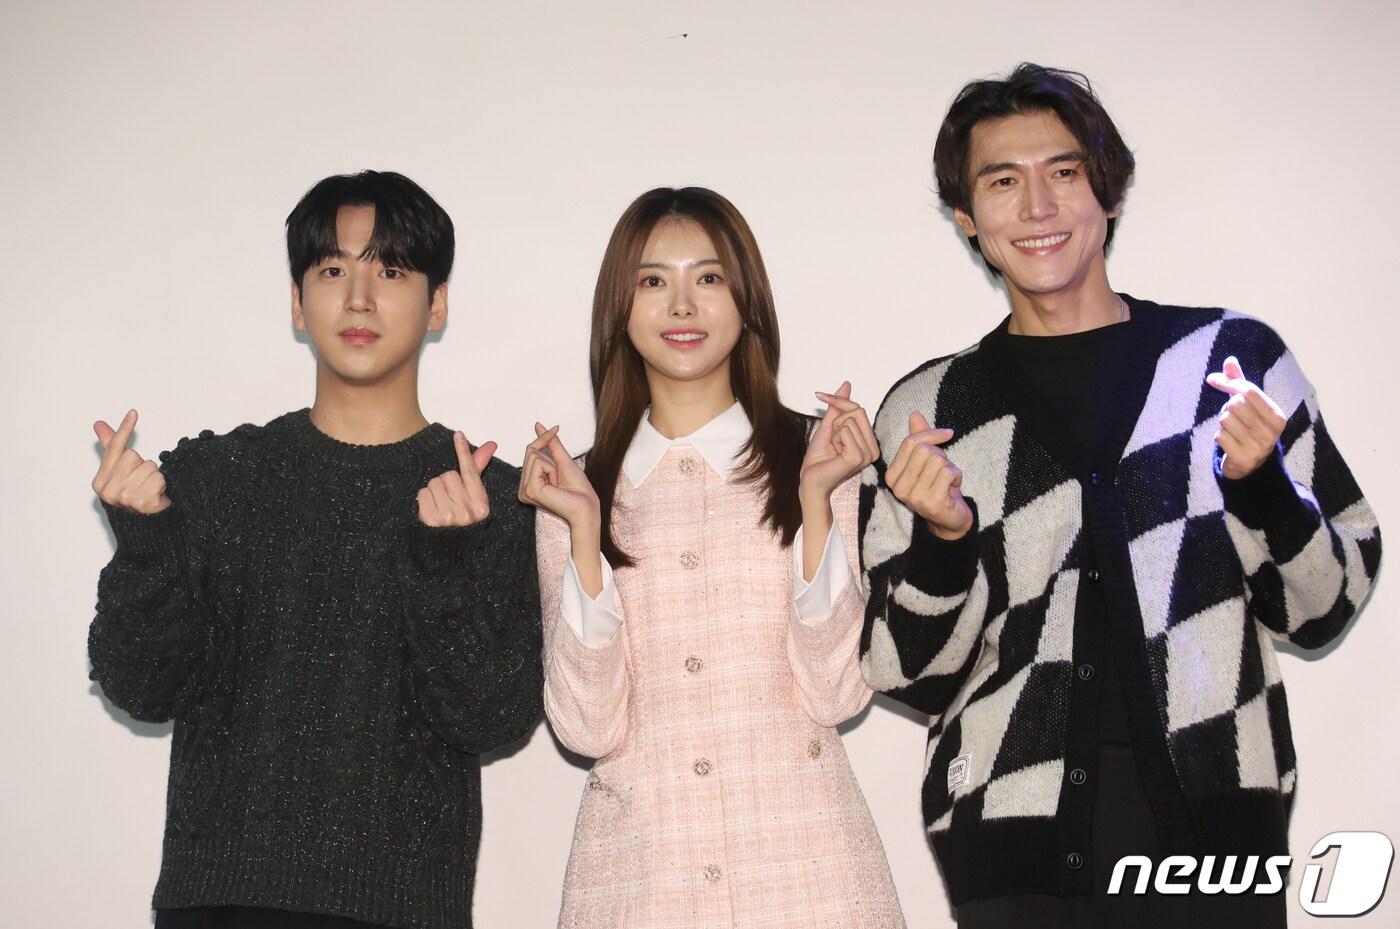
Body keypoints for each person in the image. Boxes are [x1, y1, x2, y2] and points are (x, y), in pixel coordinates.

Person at [859, 64, 1382, 926]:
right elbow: (907, 673)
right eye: (1002, 181)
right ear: (967, 217)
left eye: (1064, 172)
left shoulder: (1227, 362)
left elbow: (1325, 607)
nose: (1038, 206)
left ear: (1108, 191)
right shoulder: (932, 409)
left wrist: (1264, 492)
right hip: (1012, 845)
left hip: (1219, 833)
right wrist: (944, 542)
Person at [88, 170, 542, 929]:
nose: (358, 299)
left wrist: (445, 562)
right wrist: (147, 542)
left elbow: (492, 718)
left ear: (437, 304)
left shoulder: (488, 498)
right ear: (298, 303)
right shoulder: (216, 478)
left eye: (390, 271)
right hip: (218, 901)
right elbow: (141, 687)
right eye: (333, 271)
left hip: (402, 909)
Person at [520, 187, 904, 928]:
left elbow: (836, 692)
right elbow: (587, 727)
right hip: (641, 881)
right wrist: (585, 532)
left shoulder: (820, 459)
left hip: (810, 878)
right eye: (653, 280)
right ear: (620, 309)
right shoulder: (575, 490)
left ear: (746, 299)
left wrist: (816, 500)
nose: (682, 305)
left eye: (709, 277)